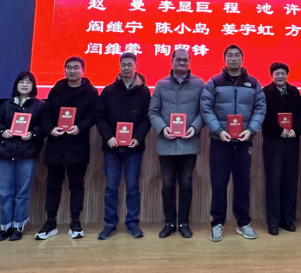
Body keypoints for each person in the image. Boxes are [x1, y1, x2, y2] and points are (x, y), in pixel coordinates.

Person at [201, 44, 266, 242]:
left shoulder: (253, 83)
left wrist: (251, 130)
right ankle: (217, 223)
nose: (234, 58)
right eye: (230, 55)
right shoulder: (214, 82)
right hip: (220, 141)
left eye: (237, 55)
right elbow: (206, 108)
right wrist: (219, 131)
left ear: (242, 58)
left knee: (243, 183)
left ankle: (243, 223)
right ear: (225, 59)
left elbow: (260, 108)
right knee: (219, 183)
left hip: (244, 141)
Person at [36, 56, 98, 240]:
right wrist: (50, 129)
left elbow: (93, 115)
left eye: (76, 67)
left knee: (76, 185)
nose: (72, 70)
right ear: (64, 70)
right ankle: (50, 222)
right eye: (69, 67)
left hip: (78, 143)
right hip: (56, 143)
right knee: (53, 184)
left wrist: (80, 127)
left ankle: (75, 222)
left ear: (83, 70)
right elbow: (46, 113)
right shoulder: (56, 89)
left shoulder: (91, 91)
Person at [149, 48, 205, 239]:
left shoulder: (199, 84)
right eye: (178, 59)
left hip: (189, 143)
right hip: (166, 143)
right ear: (171, 61)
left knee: (186, 184)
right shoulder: (161, 84)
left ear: (189, 62)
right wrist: (163, 128)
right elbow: (153, 112)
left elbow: (204, 111)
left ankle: (184, 223)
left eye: (185, 60)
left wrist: (195, 128)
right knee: (167, 184)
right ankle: (169, 222)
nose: (182, 62)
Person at [95, 52, 151, 240]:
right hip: (111, 147)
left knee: (133, 186)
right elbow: (100, 117)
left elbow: (146, 118)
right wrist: (108, 137)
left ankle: (132, 223)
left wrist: (138, 137)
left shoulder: (144, 92)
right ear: (119, 67)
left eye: (130, 65)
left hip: (134, 148)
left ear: (136, 67)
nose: (126, 68)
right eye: (123, 65)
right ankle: (110, 223)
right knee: (111, 186)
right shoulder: (109, 91)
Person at [0, 71, 46, 241]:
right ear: (16, 85)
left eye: (28, 82)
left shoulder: (40, 105)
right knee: (5, 191)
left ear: (33, 86)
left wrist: (33, 134)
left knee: (23, 191)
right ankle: (5, 226)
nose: (24, 85)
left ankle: (18, 225)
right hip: (6, 153)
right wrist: (2, 131)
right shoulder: (6, 105)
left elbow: (44, 126)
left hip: (28, 153)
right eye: (21, 81)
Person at [262, 62, 301, 235]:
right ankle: (273, 221)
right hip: (273, 141)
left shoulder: (294, 91)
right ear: (271, 75)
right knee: (273, 181)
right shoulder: (265, 92)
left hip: (292, 141)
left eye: (282, 73)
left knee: (290, 180)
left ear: (287, 75)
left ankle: (287, 218)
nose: (280, 76)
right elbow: (264, 116)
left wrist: (296, 130)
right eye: (277, 73)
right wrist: (279, 130)